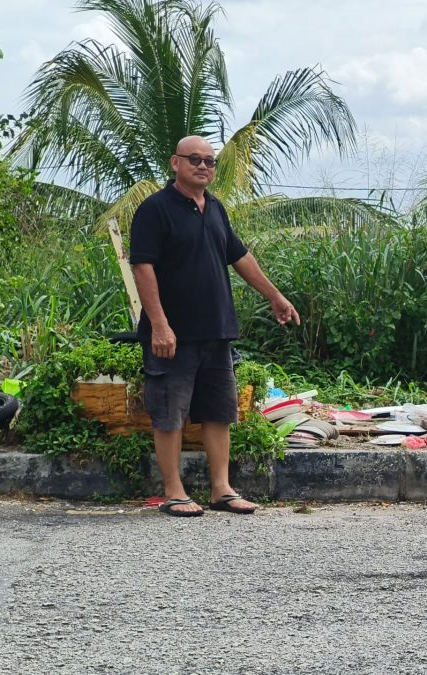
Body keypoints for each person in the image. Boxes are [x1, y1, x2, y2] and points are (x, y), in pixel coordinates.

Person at [130, 135, 300, 517]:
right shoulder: (155, 210)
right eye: (195, 160)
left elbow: (239, 257)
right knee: (169, 413)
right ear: (175, 163)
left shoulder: (216, 209)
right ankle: (174, 491)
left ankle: (221, 489)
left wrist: (275, 296)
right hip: (172, 334)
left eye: (210, 161)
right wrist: (159, 324)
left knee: (219, 412)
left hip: (217, 330)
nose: (203, 166)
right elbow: (142, 267)